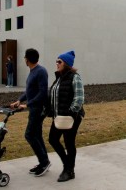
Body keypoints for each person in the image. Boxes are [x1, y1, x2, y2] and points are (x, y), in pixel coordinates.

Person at [10, 48, 51, 176]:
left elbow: (43, 93)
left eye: (25, 58)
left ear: (27, 59)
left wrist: (27, 104)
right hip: (34, 109)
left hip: (38, 110)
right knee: (36, 135)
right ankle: (44, 161)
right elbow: (30, 91)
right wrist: (19, 100)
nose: (24, 60)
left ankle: (44, 162)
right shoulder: (33, 71)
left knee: (29, 135)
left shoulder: (41, 71)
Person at [47, 50, 85, 182]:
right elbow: (52, 96)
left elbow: (79, 98)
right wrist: (48, 110)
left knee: (69, 143)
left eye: (59, 61)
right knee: (52, 139)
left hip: (70, 117)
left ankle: (69, 171)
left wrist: (71, 113)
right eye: (56, 61)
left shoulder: (75, 77)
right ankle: (67, 165)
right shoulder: (59, 78)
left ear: (66, 64)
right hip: (58, 117)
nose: (56, 64)